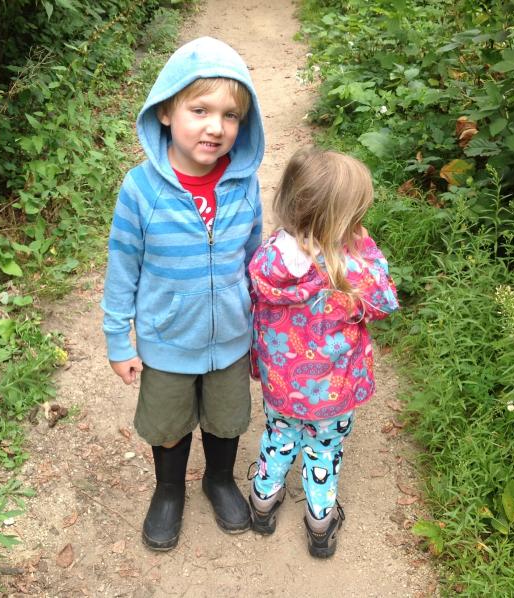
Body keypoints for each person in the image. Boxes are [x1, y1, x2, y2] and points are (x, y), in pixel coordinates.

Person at [101, 36, 265, 551]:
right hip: (167, 339)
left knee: (226, 419)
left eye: (230, 115)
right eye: (200, 110)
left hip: (231, 339)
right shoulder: (141, 189)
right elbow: (122, 268)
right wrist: (118, 340)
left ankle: (219, 480)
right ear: (166, 111)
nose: (216, 127)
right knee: (168, 422)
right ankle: (169, 490)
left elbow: (254, 260)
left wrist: (261, 329)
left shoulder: (244, 182)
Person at [246, 147, 399, 558]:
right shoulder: (350, 268)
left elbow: (256, 307)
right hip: (332, 392)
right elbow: (385, 301)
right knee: (324, 450)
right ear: (342, 220)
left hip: (282, 385)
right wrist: (366, 249)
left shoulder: (269, 257)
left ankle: (262, 500)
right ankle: (320, 520)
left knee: (279, 435)